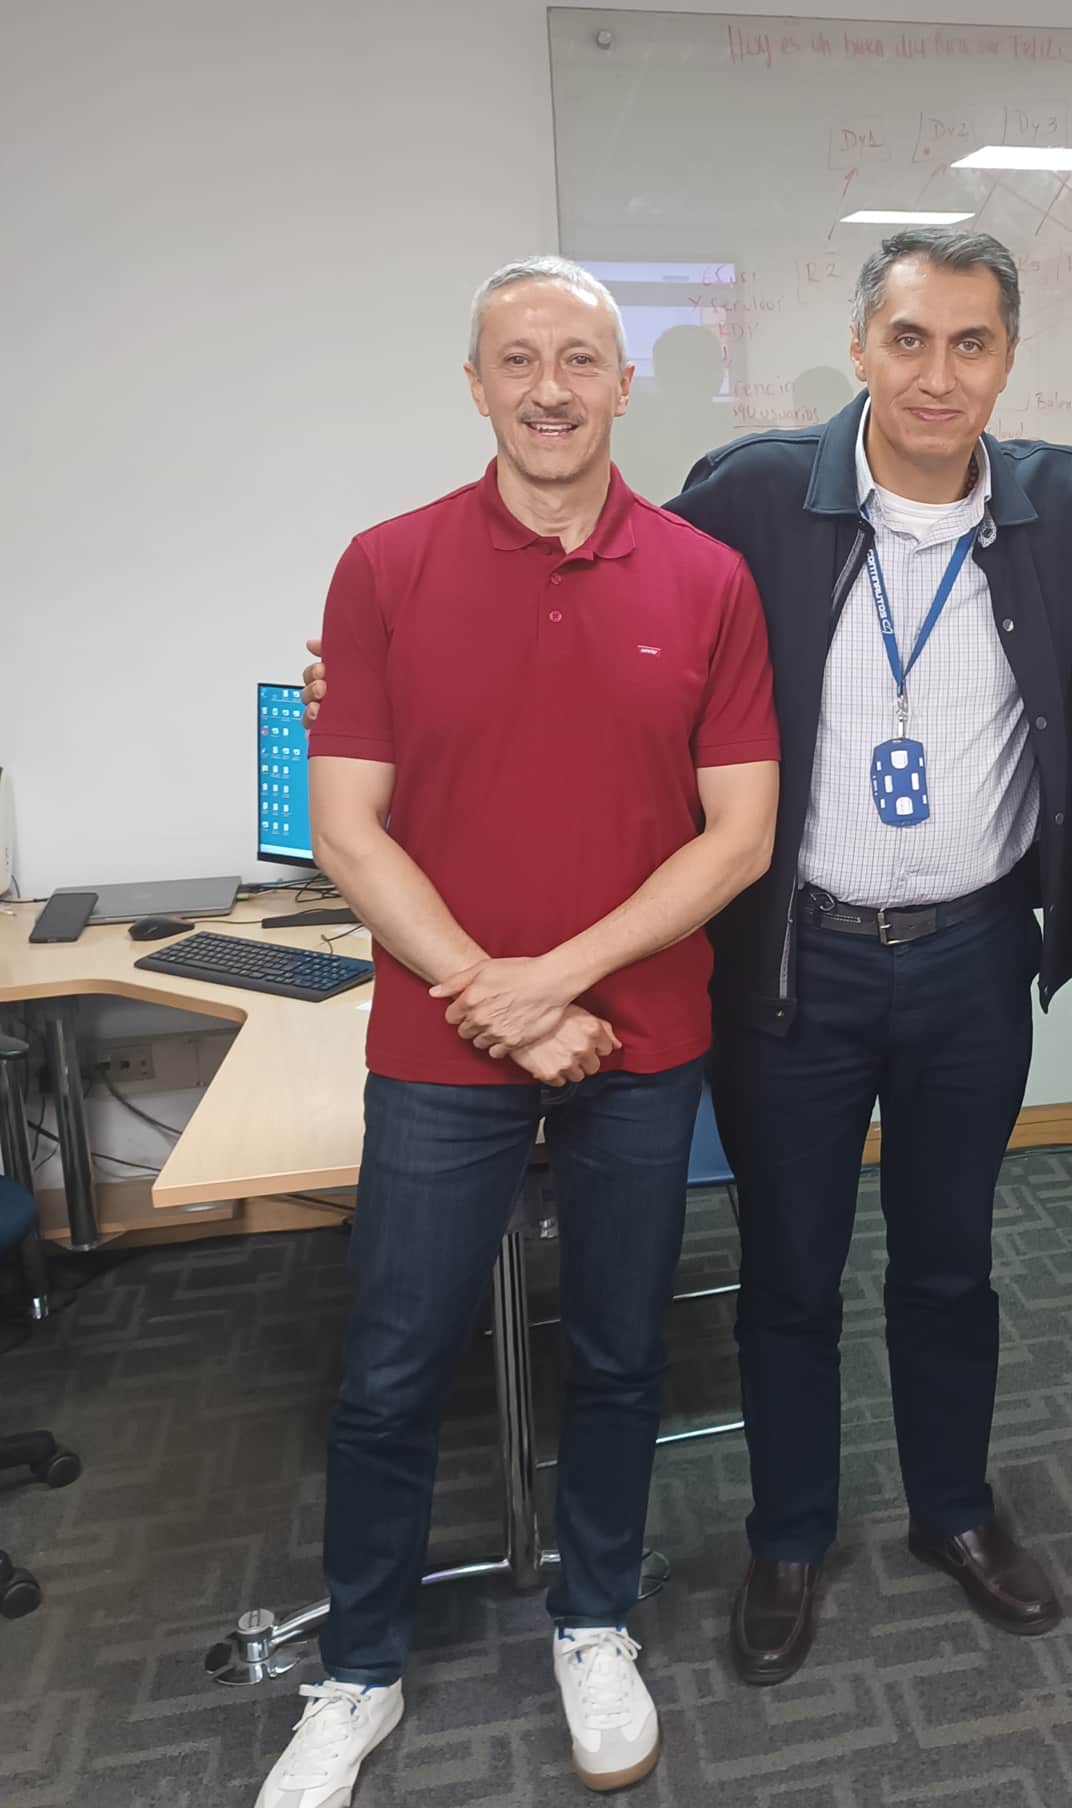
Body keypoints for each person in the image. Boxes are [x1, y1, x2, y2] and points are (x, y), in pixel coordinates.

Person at [303, 227, 1072, 1685]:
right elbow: (600, 599)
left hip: (970, 959)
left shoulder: (1071, 504)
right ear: (861, 348)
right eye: (909, 340)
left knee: (954, 1267)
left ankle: (954, 1510)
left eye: (971, 344)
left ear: (1008, 358)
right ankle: (788, 1533)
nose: (938, 374)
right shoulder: (757, 492)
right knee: (790, 1270)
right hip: (798, 962)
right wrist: (355, 671)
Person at [262, 257, 778, 1807]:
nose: (549, 388)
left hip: (640, 1038)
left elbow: (736, 835)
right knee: (393, 1360)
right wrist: (496, 992)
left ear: (628, 388)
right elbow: (348, 827)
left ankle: (596, 1621)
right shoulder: (382, 567)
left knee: (621, 1353)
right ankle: (357, 1673)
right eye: (516, 361)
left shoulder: (706, 579)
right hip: (440, 1048)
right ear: (474, 385)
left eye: (578, 360)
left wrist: (556, 976)